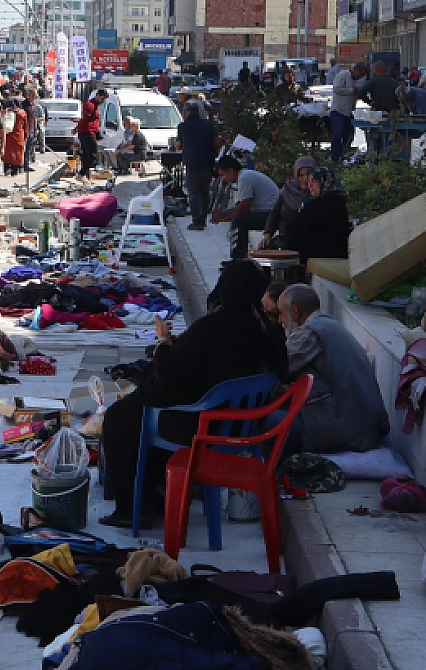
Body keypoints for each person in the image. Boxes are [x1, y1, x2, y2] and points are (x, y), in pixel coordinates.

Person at [97, 261, 287, 528]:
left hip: (202, 426)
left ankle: (130, 509)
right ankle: (156, 493)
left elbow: (171, 375)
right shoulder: (267, 333)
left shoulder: (212, 328)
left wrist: (163, 343)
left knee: (121, 416)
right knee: (137, 411)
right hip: (243, 424)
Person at [278, 284, 389, 453]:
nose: (280, 321)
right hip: (365, 425)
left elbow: (278, 368)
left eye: (280, 314)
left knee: (262, 423)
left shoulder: (310, 332)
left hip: (354, 433)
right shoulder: (328, 324)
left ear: (294, 311)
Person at [211, 154, 280, 259]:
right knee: (238, 219)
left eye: (222, 175)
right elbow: (239, 205)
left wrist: (224, 217)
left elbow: (243, 209)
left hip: (272, 215)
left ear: (230, 171)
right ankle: (238, 258)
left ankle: (238, 259)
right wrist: (222, 213)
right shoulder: (244, 176)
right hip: (267, 212)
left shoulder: (244, 178)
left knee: (239, 221)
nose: (223, 179)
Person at [279, 165, 351, 262]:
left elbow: (297, 224)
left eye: (314, 181)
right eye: (309, 182)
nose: (310, 186)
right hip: (321, 249)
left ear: (323, 181)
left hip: (326, 252)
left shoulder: (328, 201)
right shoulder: (325, 199)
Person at [175, 102, 221, 230]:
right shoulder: (208, 124)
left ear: (185, 112)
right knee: (205, 190)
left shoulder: (183, 126)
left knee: (194, 191)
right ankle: (204, 218)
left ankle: (197, 221)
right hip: (207, 162)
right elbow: (218, 142)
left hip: (191, 162)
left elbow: (178, 146)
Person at [328, 63, 358, 163]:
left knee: (349, 135)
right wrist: (351, 90)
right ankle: (336, 158)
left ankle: (344, 154)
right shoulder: (343, 75)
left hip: (349, 112)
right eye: (361, 74)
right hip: (338, 111)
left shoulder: (355, 80)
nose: (361, 77)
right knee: (337, 136)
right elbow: (336, 89)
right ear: (356, 70)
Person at [76, 89, 107, 174]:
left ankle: (86, 175)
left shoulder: (95, 105)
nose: (102, 101)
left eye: (104, 99)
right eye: (102, 99)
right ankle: (82, 174)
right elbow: (85, 118)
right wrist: (76, 127)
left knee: (86, 155)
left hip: (89, 131)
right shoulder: (90, 105)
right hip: (87, 132)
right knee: (93, 154)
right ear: (97, 96)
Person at [2, 96, 30, 179]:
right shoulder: (22, 113)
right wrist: (26, 135)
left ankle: (6, 169)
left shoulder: (5, 111)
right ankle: (14, 171)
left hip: (7, 135)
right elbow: (25, 126)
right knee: (17, 154)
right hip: (19, 135)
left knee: (7, 153)